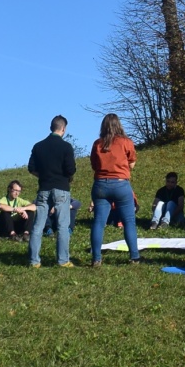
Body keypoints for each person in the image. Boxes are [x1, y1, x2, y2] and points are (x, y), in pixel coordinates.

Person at [89, 112, 140, 267]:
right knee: (129, 221)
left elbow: (94, 165)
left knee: (99, 222)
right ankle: (134, 256)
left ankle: (96, 258)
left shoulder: (98, 143)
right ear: (119, 125)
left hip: (100, 185)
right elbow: (131, 163)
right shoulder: (126, 142)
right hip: (120, 184)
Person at [28, 114, 77, 269]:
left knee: (38, 225)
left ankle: (34, 261)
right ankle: (63, 260)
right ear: (63, 128)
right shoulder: (66, 146)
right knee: (63, 226)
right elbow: (70, 169)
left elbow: (31, 168)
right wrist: (67, 177)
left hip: (44, 188)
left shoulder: (38, 146)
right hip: (61, 188)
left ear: (51, 127)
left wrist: (43, 175)